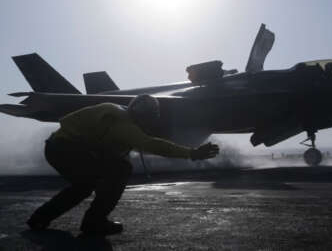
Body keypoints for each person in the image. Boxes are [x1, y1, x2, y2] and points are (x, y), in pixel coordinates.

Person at [26, 95, 219, 235]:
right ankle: (94, 222)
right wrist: (192, 153)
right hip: (67, 149)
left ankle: (41, 219)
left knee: (84, 185)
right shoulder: (124, 124)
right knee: (119, 170)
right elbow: (151, 144)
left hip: (58, 148)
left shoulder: (116, 113)